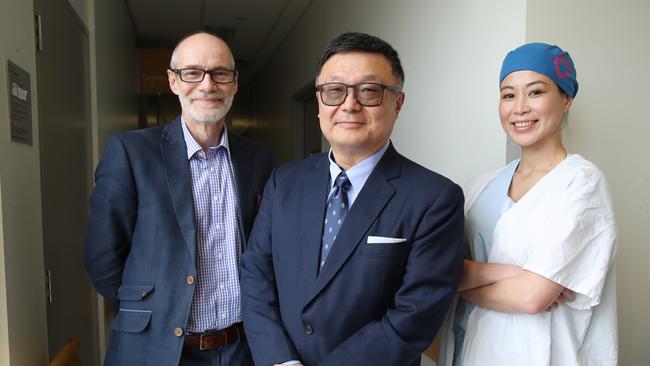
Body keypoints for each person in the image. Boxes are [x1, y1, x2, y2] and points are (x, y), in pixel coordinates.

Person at [240, 32, 465, 366]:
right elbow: (256, 275)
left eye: (369, 91)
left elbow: (413, 317)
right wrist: (280, 360)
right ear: (319, 103)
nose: (349, 104)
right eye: (334, 91)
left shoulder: (434, 198)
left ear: (398, 103)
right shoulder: (284, 182)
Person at [84, 31, 273, 366]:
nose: (207, 85)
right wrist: (148, 309)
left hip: (242, 350)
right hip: (157, 350)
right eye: (192, 73)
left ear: (234, 83)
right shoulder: (131, 152)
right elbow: (103, 257)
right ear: (173, 81)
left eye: (220, 73)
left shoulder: (258, 159)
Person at [438, 43, 618, 366]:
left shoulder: (580, 183)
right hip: (468, 350)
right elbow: (438, 268)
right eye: (508, 95)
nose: (519, 107)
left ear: (565, 100)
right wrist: (508, 274)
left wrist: (457, 284)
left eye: (535, 92)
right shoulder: (483, 185)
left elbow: (531, 297)